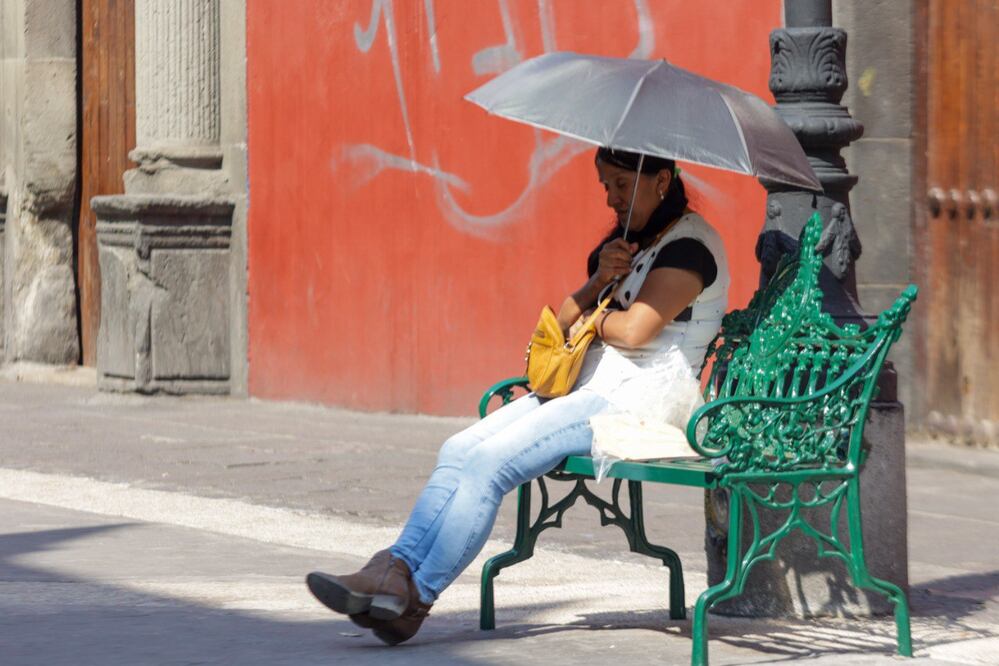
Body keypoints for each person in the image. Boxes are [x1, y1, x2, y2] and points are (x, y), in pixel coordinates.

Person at [305, 147, 730, 645]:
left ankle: (414, 597)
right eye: (606, 185)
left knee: (490, 464)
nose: (611, 199)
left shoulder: (691, 246)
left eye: (622, 185)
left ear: (661, 181)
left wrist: (596, 317)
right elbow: (563, 320)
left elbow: (636, 330)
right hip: (588, 385)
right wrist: (598, 282)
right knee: (459, 449)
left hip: (638, 402)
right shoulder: (626, 246)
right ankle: (392, 569)